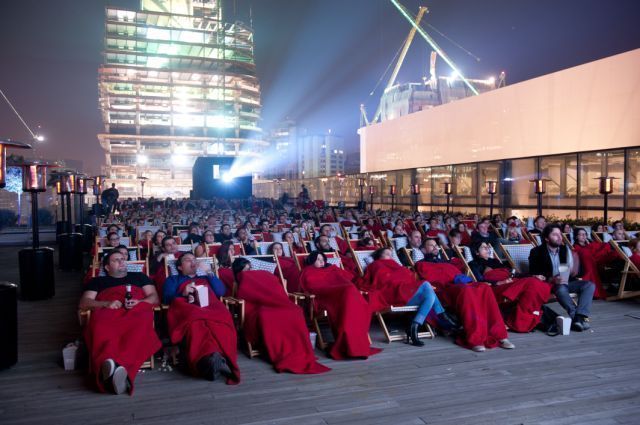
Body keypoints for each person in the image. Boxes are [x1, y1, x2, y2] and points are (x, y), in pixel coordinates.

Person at [80, 250, 161, 395]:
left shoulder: (139, 277)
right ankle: (116, 370)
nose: (122, 261)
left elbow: (154, 298)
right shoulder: (98, 281)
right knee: (99, 324)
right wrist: (106, 303)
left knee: (141, 322)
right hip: (109, 309)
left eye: (123, 259)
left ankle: (111, 367)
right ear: (106, 267)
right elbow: (85, 302)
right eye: (116, 260)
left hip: (136, 310)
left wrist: (140, 302)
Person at [232, 258, 330, 374]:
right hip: (257, 307)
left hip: (275, 303)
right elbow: (247, 295)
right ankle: (283, 353)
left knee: (295, 311)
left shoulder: (259, 275)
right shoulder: (243, 279)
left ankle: (300, 351)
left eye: (250, 268)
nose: (249, 271)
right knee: (268, 315)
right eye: (246, 268)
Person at [357, 247, 459, 346]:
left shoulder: (397, 266)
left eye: (391, 255)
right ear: (379, 256)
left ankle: (414, 326)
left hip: (406, 293)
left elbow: (409, 277)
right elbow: (381, 280)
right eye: (387, 254)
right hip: (392, 293)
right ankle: (443, 318)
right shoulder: (375, 265)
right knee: (426, 285)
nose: (390, 256)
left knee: (429, 296)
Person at [163, 253, 240, 383]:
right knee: (197, 326)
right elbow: (167, 298)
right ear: (180, 267)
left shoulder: (206, 277)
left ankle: (213, 361)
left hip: (212, 309)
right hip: (189, 311)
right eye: (188, 260)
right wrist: (182, 293)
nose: (192, 261)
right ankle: (212, 360)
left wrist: (209, 272)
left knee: (221, 324)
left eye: (194, 259)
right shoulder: (173, 279)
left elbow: (221, 292)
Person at [299, 251, 381, 360]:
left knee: (354, 303)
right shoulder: (308, 271)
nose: (321, 261)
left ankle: (357, 348)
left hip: (344, 296)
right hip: (327, 297)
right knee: (348, 291)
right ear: (311, 260)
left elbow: (350, 278)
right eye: (318, 259)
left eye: (323, 259)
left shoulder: (332, 268)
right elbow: (312, 286)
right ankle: (351, 348)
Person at [468, 242, 551, 333]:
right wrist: (500, 282)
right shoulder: (473, 263)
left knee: (537, 283)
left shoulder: (495, 261)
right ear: (476, 252)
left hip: (511, 282)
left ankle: (527, 319)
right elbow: (480, 280)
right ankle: (526, 321)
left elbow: (514, 274)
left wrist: (534, 276)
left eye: (487, 247)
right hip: (496, 287)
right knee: (531, 283)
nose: (487, 249)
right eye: (483, 248)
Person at [529, 224, 596, 332]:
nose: (559, 237)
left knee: (589, 285)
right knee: (560, 288)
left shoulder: (565, 249)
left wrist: (576, 269)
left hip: (566, 281)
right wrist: (552, 279)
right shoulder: (536, 252)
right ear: (546, 238)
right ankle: (577, 318)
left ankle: (580, 316)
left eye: (560, 234)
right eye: (555, 234)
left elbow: (577, 272)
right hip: (550, 284)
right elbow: (533, 272)